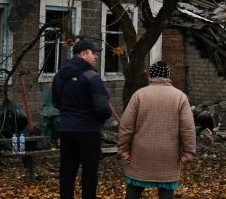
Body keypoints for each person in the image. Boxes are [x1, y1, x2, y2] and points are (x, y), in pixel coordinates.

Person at [118, 61, 196, 199]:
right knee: (166, 190)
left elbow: (126, 126)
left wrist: (123, 149)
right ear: (168, 76)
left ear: (150, 76)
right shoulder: (179, 97)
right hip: (169, 154)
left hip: (140, 152)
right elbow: (187, 129)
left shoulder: (139, 95)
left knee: (134, 188)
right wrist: (188, 152)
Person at [52, 39, 112, 199]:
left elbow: (56, 101)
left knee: (67, 172)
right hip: (88, 130)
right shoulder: (91, 76)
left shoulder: (59, 76)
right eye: (94, 53)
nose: (96, 57)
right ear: (84, 54)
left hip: (66, 129)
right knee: (89, 173)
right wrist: (103, 118)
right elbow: (101, 106)